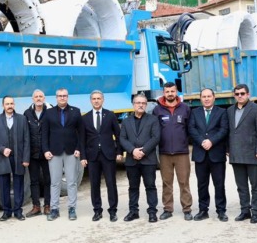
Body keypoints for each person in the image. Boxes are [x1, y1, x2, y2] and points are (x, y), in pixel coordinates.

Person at [152, 82, 193, 221]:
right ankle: (168, 209)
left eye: (172, 91)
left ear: (176, 92)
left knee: (184, 182)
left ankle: (187, 209)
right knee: (166, 182)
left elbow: (189, 130)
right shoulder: (157, 110)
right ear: (164, 93)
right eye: (167, 91)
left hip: (182, 153)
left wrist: (183, 142)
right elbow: (155, 131)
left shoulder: (185, 108)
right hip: (164, 153)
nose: (170, 94)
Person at [41, 88, 84, 221]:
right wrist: (46, 150)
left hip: (72, 151)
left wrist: (79, 148)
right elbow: (44, 134)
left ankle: (72, 208)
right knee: (55, 182)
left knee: (71, 181)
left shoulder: (76, 111)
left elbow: (81, 133)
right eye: (60, 96)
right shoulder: (48, 113)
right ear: (56, 98)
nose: (62, 98)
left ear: (68, 97)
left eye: (64, 96)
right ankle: (54, 209)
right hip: (54, 152)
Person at [188, 88, 229, 222]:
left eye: (209, 96)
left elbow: (224, 130)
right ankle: (203, 210)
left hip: (216, 154)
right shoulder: (194, 113)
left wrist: (211, 141)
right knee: (202, 184)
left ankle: (221, 211)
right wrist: (202, 142)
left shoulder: (222, 112)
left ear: (214, 97)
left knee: (219, 184)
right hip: (200, 154)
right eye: (203, 96)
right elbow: (191, 129)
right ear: (200, 98)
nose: (206, 99)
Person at [227, 84, 257, 223]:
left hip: (252, 153)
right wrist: (228, 149)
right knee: (241, 185)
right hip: (236, 153)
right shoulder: (230, 110)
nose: (240, 96)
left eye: (242, 93)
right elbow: (229, 131)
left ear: (248, 94)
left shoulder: (256, 109)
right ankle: (245, 210)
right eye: (237, 94)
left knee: (255, 185)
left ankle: (256, 211)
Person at [119, 94, 160, 223]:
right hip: (132, 160)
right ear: (133, 104)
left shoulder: (153, 120)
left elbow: (156, 137)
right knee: (133, 187)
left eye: (143, 103)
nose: (141, 105)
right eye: (138, 103)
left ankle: (152, 212)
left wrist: (143, 151)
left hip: (148, 159)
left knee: (150, 186)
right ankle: (133, 211)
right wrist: (132, 150)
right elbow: (122, 139)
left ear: (146, 105)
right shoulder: (126, 122)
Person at [81, 90, 120, 222]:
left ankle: (113, 211)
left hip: (108, 155)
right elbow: (82, 139)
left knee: (111, 183)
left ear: (103, 100)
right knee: (94, 184)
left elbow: (119, 136)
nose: (96, 101)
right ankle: (97, 210)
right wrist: (83, 157)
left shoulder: (110, 115)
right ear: (90, 101)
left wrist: (119, 152)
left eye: (98, 98)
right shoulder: (85, 118)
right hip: (92, 157)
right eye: (94, 99)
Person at [0, 96, 30, 221]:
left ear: (14, 105)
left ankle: (18, 211)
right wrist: (2, 149)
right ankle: (6, 211)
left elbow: (27, 140)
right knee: (3, 185)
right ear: (3, 106)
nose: (9, 106)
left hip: (18, 157)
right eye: (7, 104)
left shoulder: (22, 119)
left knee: (19, 184)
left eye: (11, 103)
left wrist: (26, 158)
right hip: (3, 157)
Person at [23, 90, 52, 217]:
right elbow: (24, 134)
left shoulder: (50, 113)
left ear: (44, 98)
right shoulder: (27, 113)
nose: (38, 98)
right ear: (32, 98)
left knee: (48, 180)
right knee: (33, 181)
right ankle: (36, 206)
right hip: (32, 153)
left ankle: (47, 205)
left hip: (47, 153)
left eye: (41, 96)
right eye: (36, 97)